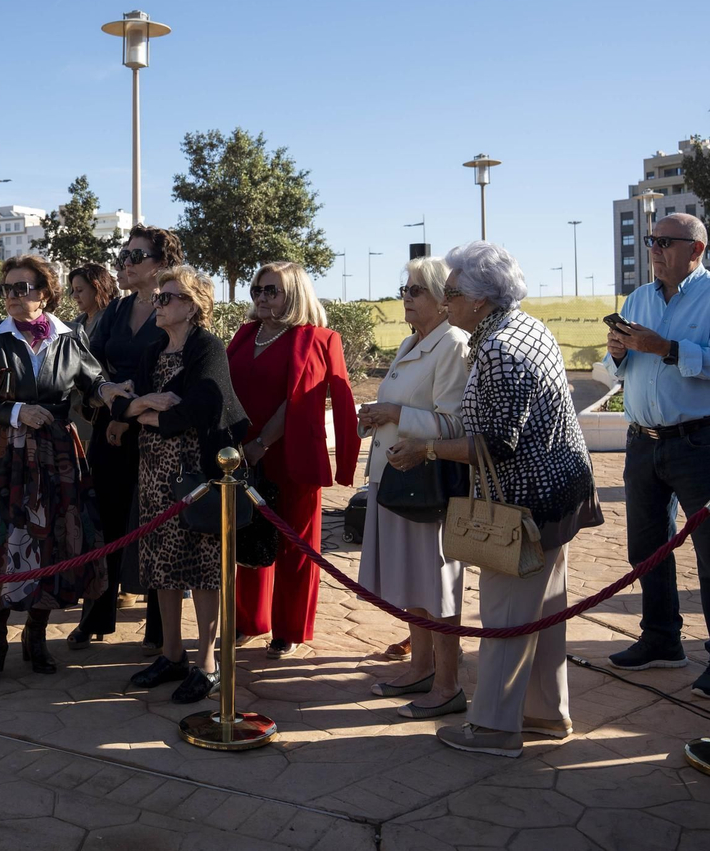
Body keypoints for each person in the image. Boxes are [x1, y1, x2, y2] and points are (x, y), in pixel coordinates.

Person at [399, 242, 596, 758]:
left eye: (453, 292)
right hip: (558, 495)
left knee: (507, 618)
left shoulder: (498, 347)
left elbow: (496, 441)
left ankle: (494, 729)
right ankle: (545, 715)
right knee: (543, 615)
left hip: (524, 505)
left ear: (481, 300)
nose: (446, 302)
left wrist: (428, 450)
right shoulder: (524, 327)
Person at [603, 213, 710, 700]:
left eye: (666, 242)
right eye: (651, 241)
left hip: (699, 442)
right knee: (646, 549)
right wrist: (619, 352)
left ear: (697, 249)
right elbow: (617, 369)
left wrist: (666, 347)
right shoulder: (639, 298)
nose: (655, 249)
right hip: (642, 440)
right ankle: (661, 640)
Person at [0, 254, 107, 684]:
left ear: (45, 292)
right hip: (2, 454)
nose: (13, 297)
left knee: (49, 543)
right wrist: (18, 411)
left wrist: (110, 392)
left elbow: (92, 383)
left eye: (23, 288)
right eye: (7, 289)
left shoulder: (68, 337)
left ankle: (36, 637)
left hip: (56, 455)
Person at [124, 266, 249, 704]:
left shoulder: (208, 347)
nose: (158, 304)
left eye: (168, 298)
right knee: (162, 562)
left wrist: (152, 416)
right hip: (155, 471)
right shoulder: (154, 349)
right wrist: (142, 406)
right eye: (158, 297)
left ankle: (207, 662)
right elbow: (127, 404)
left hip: (198, 473)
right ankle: (171, 653)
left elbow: (205, 404)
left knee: (204, 566)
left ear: (193, 306)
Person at [357, 256, 470, 716]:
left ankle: (447, 685)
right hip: (396, 479)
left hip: (429, 485)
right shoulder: (412, 342)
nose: (406, 297)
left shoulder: (454, 346)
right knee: (413, 583)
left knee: (437, 585)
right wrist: (378, 413)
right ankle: (421, 668)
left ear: (445, 300)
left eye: (416, 290)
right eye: (405, 289)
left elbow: (454, 422)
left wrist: (394, 414)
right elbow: (401, 404)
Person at [231, 261, 360, 657]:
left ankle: (288, 629)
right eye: (258, 289)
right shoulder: (245, 333)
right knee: (248, 535)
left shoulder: (319, 339)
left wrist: (263, 443)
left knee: (294, 544)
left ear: (295, 294)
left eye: (273, 290)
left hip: (290, 455)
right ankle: (250, 620)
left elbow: (304, 398)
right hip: (241, 455)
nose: (262, 297)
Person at [74, 227, 181, 650]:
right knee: (106, 527)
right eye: (124, 254)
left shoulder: (175, 308)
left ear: (161, 265)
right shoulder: (116, 310)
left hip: (157, 437)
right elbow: (88, 365)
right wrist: (108, 402)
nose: (125, 263)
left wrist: (129, 414)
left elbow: (174, 373)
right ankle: (97, 616)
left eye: (136, 256)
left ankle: (160, 633)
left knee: (154, 529)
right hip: (109, 433)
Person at [65, 261, 118, 447]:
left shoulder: (112, 318)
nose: (74, 296)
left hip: (101, 407)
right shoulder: (77, 323)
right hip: (76, 408)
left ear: (97, 288)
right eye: (73, 290)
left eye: (80, 290)